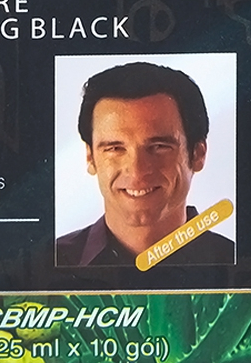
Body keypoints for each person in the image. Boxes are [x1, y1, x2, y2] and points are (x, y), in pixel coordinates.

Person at [56, 61, 234, 267]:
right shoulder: (40, 267)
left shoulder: (239, 265)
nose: (137, 171)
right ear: (90, 157)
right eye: (115, 148)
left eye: (159, 147)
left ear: (198, 154)